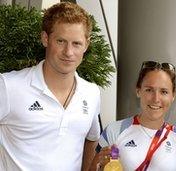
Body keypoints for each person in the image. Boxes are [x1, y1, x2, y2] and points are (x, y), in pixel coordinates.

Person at [0, 2, 101, 171]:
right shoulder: (9, 86)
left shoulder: (92, 93)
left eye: (76, 43)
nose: (68, 52)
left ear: (86, 44)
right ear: (45, 39)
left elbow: (91, 140)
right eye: (61, 41)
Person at [90, 61, 176, 171]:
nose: (156, 99)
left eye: (164, 92)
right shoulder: (114, 131)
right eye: (149, 90)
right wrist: (101, 166)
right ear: (138, 91)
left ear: (172, 96)